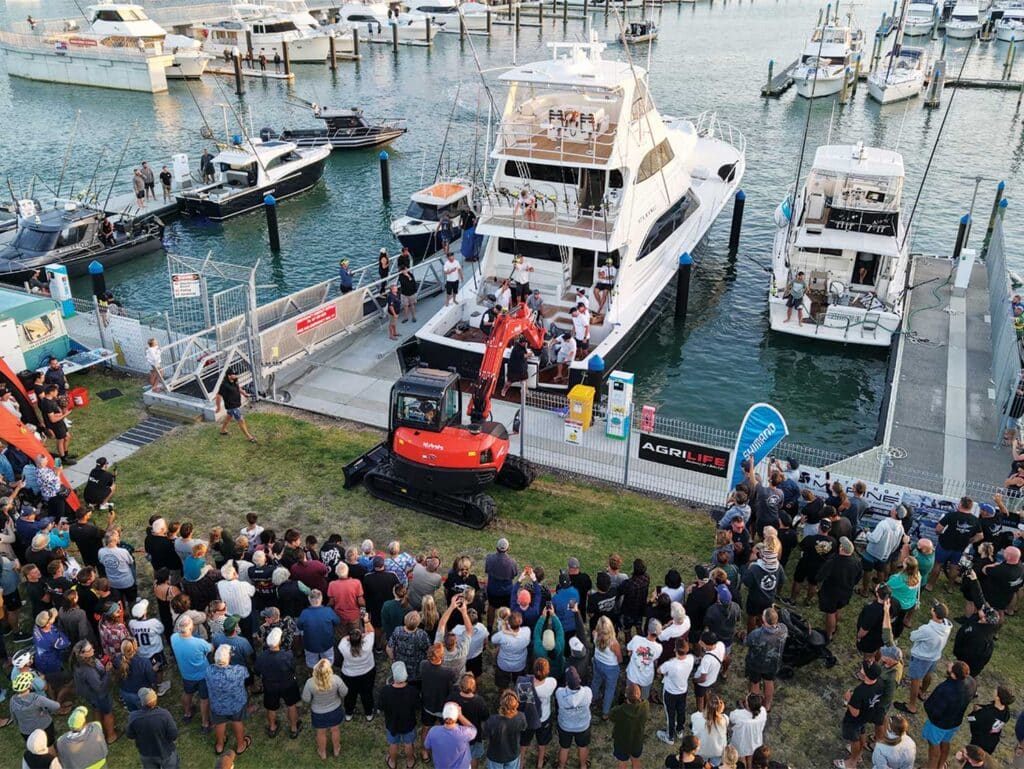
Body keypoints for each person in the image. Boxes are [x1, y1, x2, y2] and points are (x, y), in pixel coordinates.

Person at [895, 602, 952, 717]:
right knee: (928, 674)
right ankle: (923, 692)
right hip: (935, 656)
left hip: (921, 657)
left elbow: (912, 636)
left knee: (915, 680)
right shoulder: (947, 625)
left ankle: (911, 705)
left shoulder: (927, 629)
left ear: (934, 613)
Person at [922, 661, 972, 769]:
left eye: (951, 667)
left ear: (953, 675)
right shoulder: (971, 683)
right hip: (955, 722)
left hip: (938, 725)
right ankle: (941, 765)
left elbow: (931, 707)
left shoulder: (945, 690)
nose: (949, 664)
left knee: (933, 751)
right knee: (945, 742)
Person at [928, 497, 983, 591]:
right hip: (960, 547)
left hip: (945, 545)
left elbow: (938, 529)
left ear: (960, 504)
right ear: (971, 507)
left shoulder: (951, 515)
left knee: (937, 564)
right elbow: (980, 536)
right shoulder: (974, 520)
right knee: (954, 566)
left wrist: (939, 534)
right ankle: (950, 587)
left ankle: (930, 585)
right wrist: (969, 541)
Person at [205, 644, 251, 758]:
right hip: (236, 704)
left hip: (218, 705)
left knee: (220, 723)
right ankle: (240, 746)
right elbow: (247, 675)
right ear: (229, 658)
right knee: (237, 721)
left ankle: (220, 746)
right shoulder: (239, 670)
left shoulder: (208, 670)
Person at [255, 626, 301, 739]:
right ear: (279, 641)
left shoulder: (262, 656)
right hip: (288, 684)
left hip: (270, 686)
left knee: (271, 707)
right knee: (291, 705)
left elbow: (256, 670)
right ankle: (294, 729)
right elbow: (293, 668)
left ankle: (272, 728)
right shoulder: (287, 655)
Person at [835, 661, 883, 769]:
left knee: (854, 739)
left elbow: (855, 713)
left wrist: (849, 699)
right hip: (867, 715)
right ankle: (859, 754)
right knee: (861, 732)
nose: (861, 668)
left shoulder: (860, 691)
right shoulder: (879, 683)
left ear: (866, 674)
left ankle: (852, 762)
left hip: (854, 720)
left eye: (863, 668)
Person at [70, 640, 117, 744]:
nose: (93, 650)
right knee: (107, 713)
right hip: (99, 695)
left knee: (96, 711)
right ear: (82, 654)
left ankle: (98, 733)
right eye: (90, 649)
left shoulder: (78, 663)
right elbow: (99, 687)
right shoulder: (88, 670)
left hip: (90, 696)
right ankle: (111, 736)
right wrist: (108, 672)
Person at [170, 616, 211, 732]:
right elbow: (210, 648)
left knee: (187, 693)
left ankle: (187, 713)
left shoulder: (174, 638)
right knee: (204, 699)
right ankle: (205, 723)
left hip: (186, 675)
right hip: (203, 675)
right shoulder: (199, 642)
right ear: (191, 628)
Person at [817, 537, 863, 642]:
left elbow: (820, 576)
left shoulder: (833, 560)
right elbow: (858, 577)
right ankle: (834, 627)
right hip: (846, 592)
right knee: (839, 608)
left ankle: (829, 635)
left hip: (831, 592)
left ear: (841, 548)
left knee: (830, 613)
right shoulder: (856, 562)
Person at [301, 657, 346, 760]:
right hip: (335, 709)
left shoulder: (310, 682)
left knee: (320, 732)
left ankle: (322, 753)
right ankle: (336, 749)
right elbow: (344, 692)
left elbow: (306, 699)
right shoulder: (336, 679)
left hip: (318, 713)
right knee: (335, 730)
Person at [744, 607, 788, 712]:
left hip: (756, 664)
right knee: (769, 682)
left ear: (764, 620)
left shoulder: (757, 634)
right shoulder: (783, 629)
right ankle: (767, 705)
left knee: (755, 683)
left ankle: (754, 706)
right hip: (773, 663)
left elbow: (746, 642)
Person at [126, 687, 179, 769]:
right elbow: (173, 734)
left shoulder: (133, 717)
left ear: (141, 701)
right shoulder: (164, 715)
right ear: (155, 700)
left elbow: (130, 735)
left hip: (146, 753)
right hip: (166, 752)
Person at [861, 507, 909, 593]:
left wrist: (867, 533)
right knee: (880, 571)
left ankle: (864, 591)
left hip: (872, 552)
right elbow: (897, 544)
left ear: (894, 512)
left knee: (867, 571)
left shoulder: (883, 524)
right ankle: (880, 591)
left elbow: (874, 539)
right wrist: (889, 552)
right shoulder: (901, 527)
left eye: (894, 509)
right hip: (885, 555)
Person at [382, 661, 420, 769]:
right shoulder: (413, 691)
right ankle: (410, 761)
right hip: (408, 723)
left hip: (392, 723)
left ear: (393, 676)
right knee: (408, 743)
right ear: (405, 675)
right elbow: (418, 706)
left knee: (393, 744)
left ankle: (393, 762)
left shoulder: (386, 691)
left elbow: (380, 706)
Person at [555, 667, 592, 769]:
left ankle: (561, 766)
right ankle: (583, 766)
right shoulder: (587, 692)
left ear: (566, 682)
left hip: (565, 726)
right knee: (583, 747)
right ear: (579, 679)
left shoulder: (559, 693)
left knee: (564, 747)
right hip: (582, 726)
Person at [423, 701, 477, 769]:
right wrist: (460, 715)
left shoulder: (433, 731)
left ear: (443, 715)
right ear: (456, 717)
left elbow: (427, 746)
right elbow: (473, 729)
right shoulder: (464, 733)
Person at [11, 671, 60, 743]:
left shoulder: (12, 700)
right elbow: (56, 706)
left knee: (35, 750)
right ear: (29, 686)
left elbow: (13, 717)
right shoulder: (37, 698)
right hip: (44, 727)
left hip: (26, 732)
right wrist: (46, 711)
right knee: (49, 746)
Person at [484, 689, 528, 769]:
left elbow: (485, 735)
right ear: (516, 704)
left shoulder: (491, 720)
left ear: (501, 704)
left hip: (495, 756)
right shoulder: (521, 717)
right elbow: (524, 728)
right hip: (513, 754)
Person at [966, 685, 1014, 756]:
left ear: (998, 698)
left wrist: (975, 711)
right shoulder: (1006, 711)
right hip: (992, 741)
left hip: (979, 741)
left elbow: (971, 719)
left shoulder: (987, 713)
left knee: (974, 757)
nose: (994, 690)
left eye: (996, 691)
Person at [590, 615, 621, 720]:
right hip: (611, 667)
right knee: (609, 689)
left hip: (598, 662)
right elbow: (619, 658)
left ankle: (592, 701)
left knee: (595, 682)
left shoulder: (594, 634)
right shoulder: (613, 643)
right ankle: (605, 713)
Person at [491, 610, 531, 690]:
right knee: (519, 684)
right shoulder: (527, 631)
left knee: (502, 685)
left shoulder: (502, 635)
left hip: (503, 664)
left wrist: (504, 629)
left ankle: (503, 694)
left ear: (508, 623)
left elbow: (493, 640)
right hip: (520, 664)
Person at [625, 618, 663, 701]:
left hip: (632, 675)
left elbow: (629, 650)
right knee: (643, 699)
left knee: (629, 696)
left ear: (648, 631)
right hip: (646, 677)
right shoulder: (659, 648)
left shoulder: (636, 639)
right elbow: (655, 659)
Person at [216, 370, 256, 443]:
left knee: (229, 417)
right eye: (234, 374)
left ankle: (223, 430)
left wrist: (244, 394)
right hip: (232, 406)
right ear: (229, 376)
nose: (236, 375)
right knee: (241, 420)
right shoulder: (224, 385)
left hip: (236, 404)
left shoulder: (234, 381)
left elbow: (238, 388)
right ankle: (249, 437)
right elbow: (218, 396)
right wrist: (218, 407)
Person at [728, 693, 767, 768]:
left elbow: (732, 719)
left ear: (748, 705)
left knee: (741, 759)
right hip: (755, 741)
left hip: (741, 742)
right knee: (751, 757)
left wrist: (742, 708)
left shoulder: (737, 714)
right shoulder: (763, 711)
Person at [691, 694, 728, 767]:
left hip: (700, 751)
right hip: (718, 752)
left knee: (701, 765)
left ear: (706, 706)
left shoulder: (695, 716)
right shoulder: (725, 719)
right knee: (714, 766)